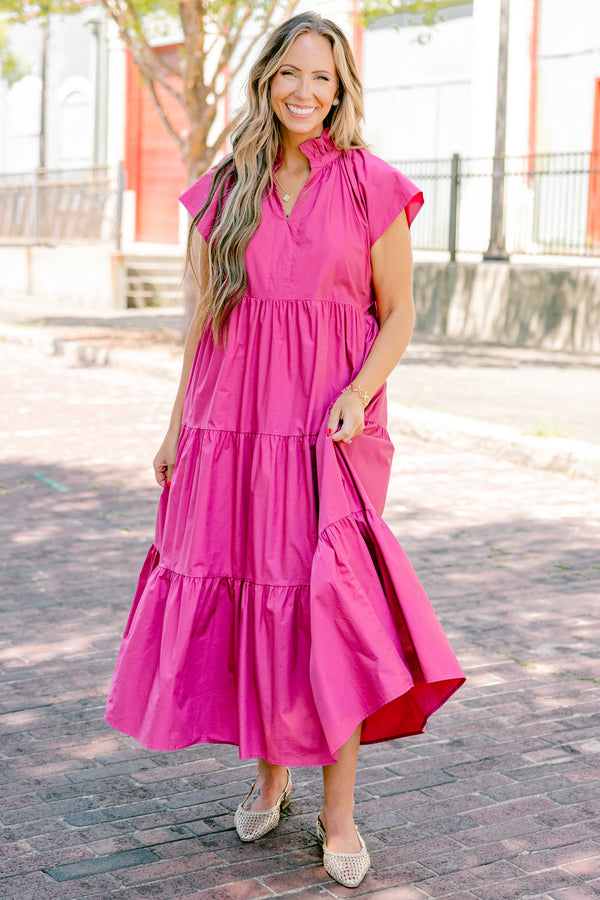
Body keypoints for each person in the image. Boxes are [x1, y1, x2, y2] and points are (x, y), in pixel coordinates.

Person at [105, 11, 465, 889]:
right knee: (251, 600)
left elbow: (401, 315)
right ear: (267, 80)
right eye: (291, 75)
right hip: (229, 432)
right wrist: (171, 426)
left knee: (333, 614)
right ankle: (271, 777)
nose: (306, 92)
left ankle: (339, 815)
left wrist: (355, 394)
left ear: (341, 90)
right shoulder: (223, 191)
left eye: (324, 78)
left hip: (326, 434)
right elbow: (202, 326)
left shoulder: (373, 187)